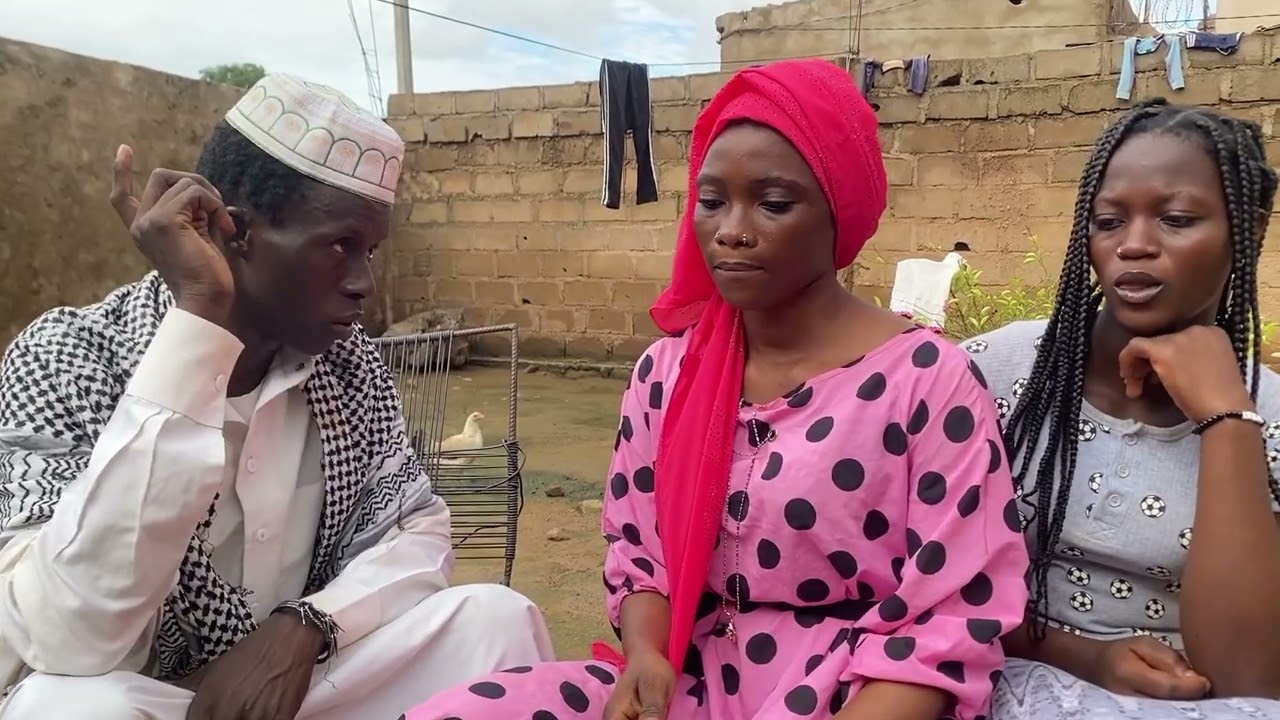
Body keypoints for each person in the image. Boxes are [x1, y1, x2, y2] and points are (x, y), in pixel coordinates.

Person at [400, 58, 1029, 720]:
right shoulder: (669, 374)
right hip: (689, 680)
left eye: (774, 203)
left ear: (840, 212)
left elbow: (951, 610)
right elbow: (639, 552)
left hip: (854, 693)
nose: (731, 228)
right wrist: (646, 655)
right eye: (711, 201)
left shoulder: (927, 379)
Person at [0, 74, 554, 720]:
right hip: (156, 698)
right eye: (340, 246)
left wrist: (304, 628)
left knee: (495, 621)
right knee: (61, 708)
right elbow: (71, 633)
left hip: (297, 684)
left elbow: (416, 530)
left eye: (370, 252)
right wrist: (202, 319)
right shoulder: (70, 355)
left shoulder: (348, 367)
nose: (363, 284)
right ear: (231, 229)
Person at [963, 99, 1280, 719]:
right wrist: (1088, 659)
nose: (1134, 246)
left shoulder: (1268, 415)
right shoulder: (996, 372)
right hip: (995, 678)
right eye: (1108, 222)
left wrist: (1226, 419)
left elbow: (1251, 685)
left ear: (1248, 226)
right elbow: (910, 587)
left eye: (1177, 219)